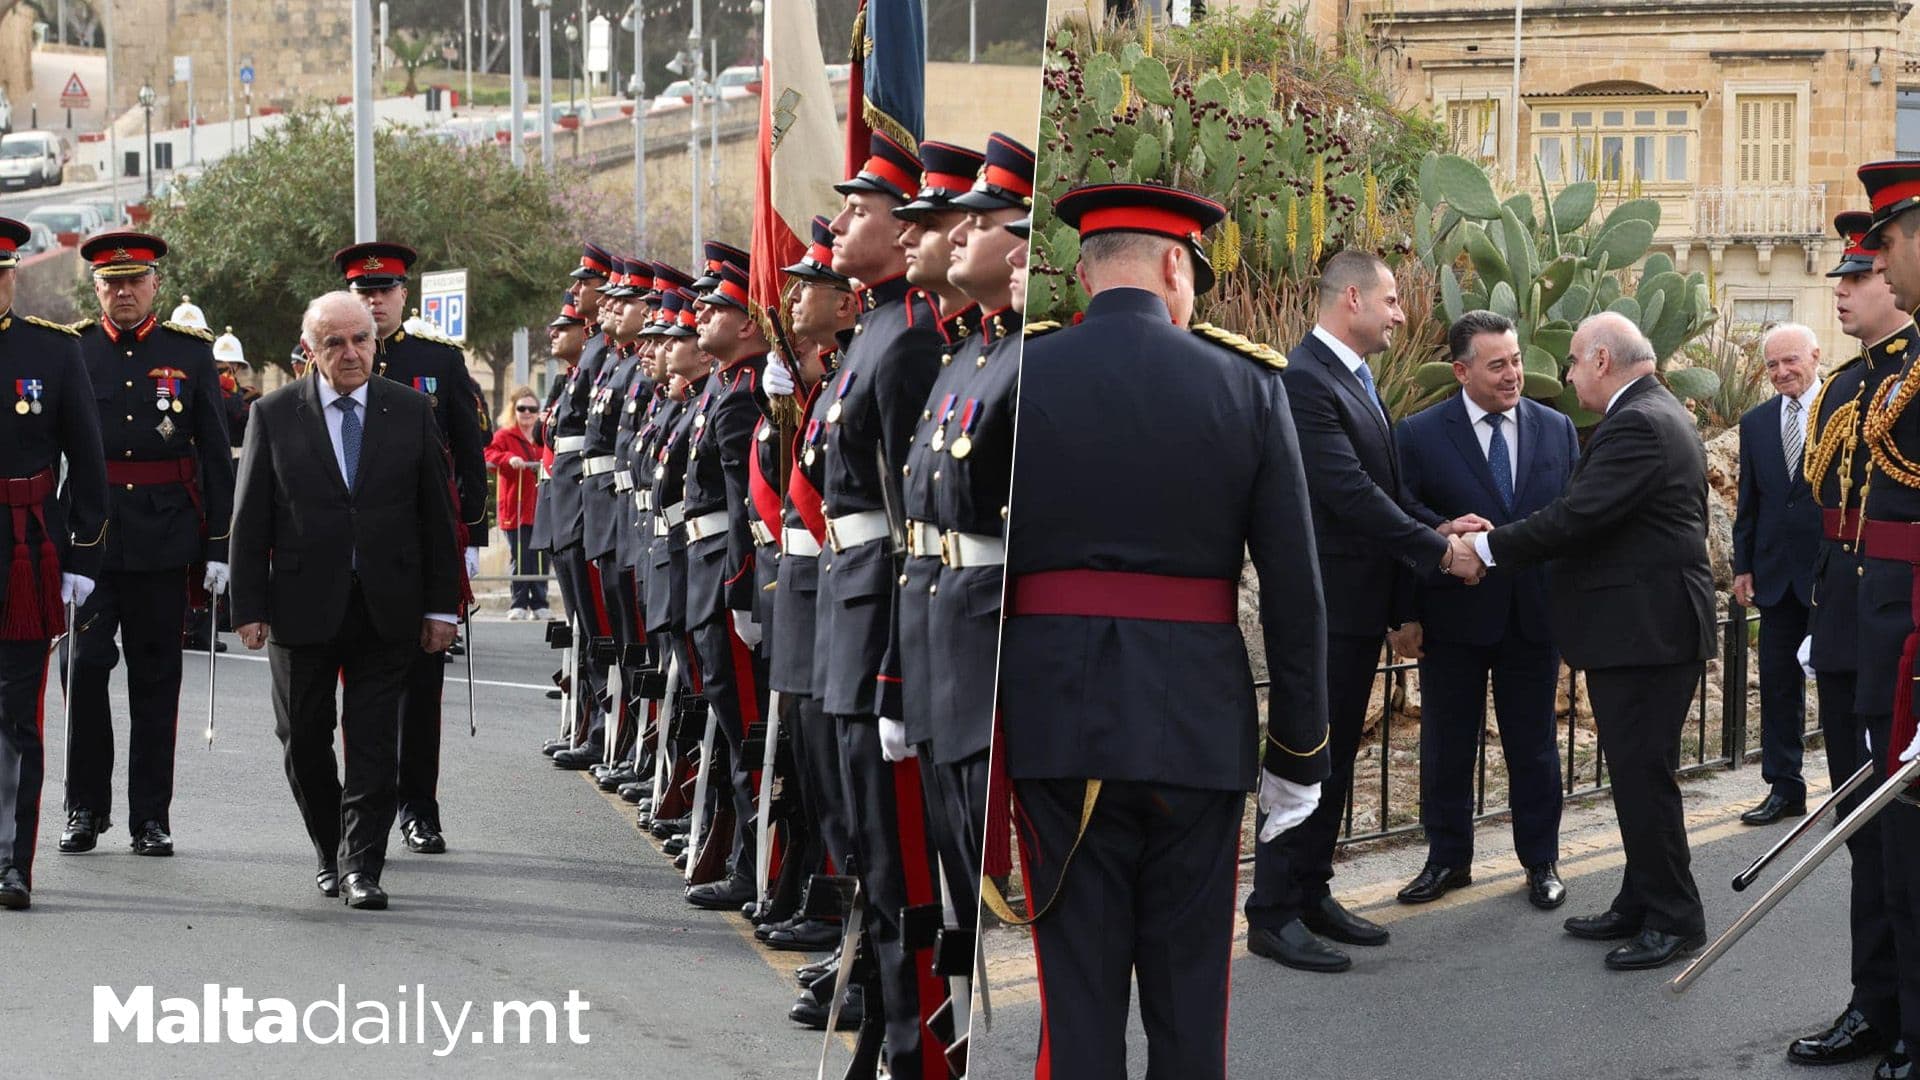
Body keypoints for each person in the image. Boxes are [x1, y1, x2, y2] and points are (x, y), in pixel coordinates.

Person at [998, 182, 1327, 1080]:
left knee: (1077, 995)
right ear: (1176, 265)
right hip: (1194, 726)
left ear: (1085, 272)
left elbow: (974, 567)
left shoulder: (1017, 375)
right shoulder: (1249, 384)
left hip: (1055, 719)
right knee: (1189, 1004)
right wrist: (1299, 754)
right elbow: (1296, 588)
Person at [1245, 248, 1477, 975]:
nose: (1401, 314)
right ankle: (1272, 911)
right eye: (1392, 301)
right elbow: (1345, 493)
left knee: (1336, 759)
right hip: (1320, 608)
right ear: (1352, 299)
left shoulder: (1354, 379)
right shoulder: (1304, 380)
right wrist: (1438, 554)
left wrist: (1438, 526)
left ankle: (1312, 892)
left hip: (1352, 608)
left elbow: (1385, 486)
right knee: (1303, 757)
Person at [1463, 311, 1713, 971]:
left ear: (1601, 360)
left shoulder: (1638, 423)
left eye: (1573, 362)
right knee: (1636, 776)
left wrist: (1485, 547)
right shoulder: (1653, 412)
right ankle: (1640, 899)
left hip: (1647, 635)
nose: (1567, 376)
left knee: (1643, 778)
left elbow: (1577, 518)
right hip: (1643, 631)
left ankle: (1676, 918)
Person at [229, 291, 460, 911]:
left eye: (361, 339)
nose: (351, 352)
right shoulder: (274, 414)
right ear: (310, 350)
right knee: (303, 738)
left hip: (388, 604)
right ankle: (330, 847)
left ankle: (362, 865)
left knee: (374, 740)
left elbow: (437, 518)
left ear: (375, 342)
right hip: (301, 605)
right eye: (334, 342)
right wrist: (247, 606)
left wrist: (443, 608)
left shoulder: (409, 411)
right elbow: (249, 518)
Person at [816, 131, 948, 1080]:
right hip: (843, 604)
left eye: (862, 209)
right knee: (862, 837)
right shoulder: (871, 328)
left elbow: (913, 519)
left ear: (907, 232)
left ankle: (910, 1038)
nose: (842, 220)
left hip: (879, 616)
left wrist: (901, 658)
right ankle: (883, 1018)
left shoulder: (907, 340)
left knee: (896, 849)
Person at [1388, 309, 1575, 909]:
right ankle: (1447, 860)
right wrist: (1439, 534)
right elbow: (1395, 515)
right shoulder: (1417, 434)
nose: (1513, 374)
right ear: (1461, 370)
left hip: (1533, 618)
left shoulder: (1556, 428)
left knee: (1535, 745)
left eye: (1517, 360)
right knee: (1447, 743)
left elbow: (1572, 517)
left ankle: (1541, 861)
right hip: (1453, 616)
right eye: (1497, 365)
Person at [61, 231, 235, 859]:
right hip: (90, 540)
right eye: (112, 282)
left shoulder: (189, 352)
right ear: (96, 288)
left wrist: (219, 547)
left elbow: (215, 455)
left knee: (156, 682)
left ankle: (150, 818)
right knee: (82, 673)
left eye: (135, 280)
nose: (124, 291)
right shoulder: (73, 349)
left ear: (155, 283)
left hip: (165, 539)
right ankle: (84, 808)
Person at [1788, 208, 1907, 1068]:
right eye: (1840, 275)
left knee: (1909, 839)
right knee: (1860, 834)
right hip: (1846, 632)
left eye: (1859, 275)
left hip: (1905, 635)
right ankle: (1873, 1003)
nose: (1843, 289)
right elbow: (1829, 517)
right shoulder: (1838, 389)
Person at [333, 240, 487, 857]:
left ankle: (419, 808)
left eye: (385, 291)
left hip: (423, 546)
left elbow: (470, 459)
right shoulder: (327, 358)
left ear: (404, 296)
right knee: (357, 686)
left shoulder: (439, 362)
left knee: (422, 687)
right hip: (353, 549)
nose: (375, 301)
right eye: (364, 292)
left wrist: (473, 537)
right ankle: (362, 805)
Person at [0, 216, 108, 910]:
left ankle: (11, 861)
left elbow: (88, 461)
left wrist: (79, 551)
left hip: (23, 548)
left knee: (16, 715)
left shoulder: (53, 352)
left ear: (10, 277)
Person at [1850, 156, 1920, 1080]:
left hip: (1906, 626)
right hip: (1884, 624)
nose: (1880, 264)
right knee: (1894, 849)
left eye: (1889, 244)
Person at [1731, 323, 1823, 826]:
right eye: (1772, 365)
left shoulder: (1840, 411)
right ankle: (1785, 789)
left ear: (1815, 354)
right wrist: (1742, 565)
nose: (1782, 371)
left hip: (1831, 573)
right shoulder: (1757, 421)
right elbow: (1751, 500)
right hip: (1775, 574)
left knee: (1840, 687)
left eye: (1791, 360)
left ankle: (1854, 790)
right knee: (1778, 687)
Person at [486, 383, 550, 620]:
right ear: (514, 409)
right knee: (520, 556)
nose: (527, 413)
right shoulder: (504, 435)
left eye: (532, 409)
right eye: (522, 408)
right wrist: (508, 457)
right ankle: (519, 602)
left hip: (540, 507)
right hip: (515, 506)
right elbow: (489, 454)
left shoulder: (543, 436)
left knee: (541, 557)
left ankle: (540, 602)